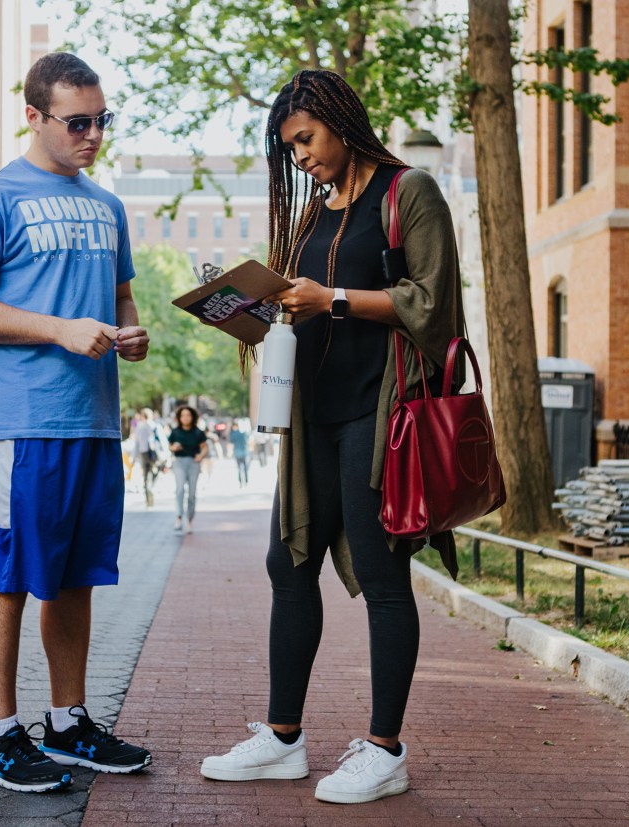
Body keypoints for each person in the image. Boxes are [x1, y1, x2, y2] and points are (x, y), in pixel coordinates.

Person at [200, 70, 462, 804]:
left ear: (343, 122)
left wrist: (334, 297)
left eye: (307, 140)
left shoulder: (409, 193)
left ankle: (385, 749)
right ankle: (283, 739)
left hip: (379, 414)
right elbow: (296, 304)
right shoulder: (312, 212)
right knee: (288, 564)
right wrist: (249, 308)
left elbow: (433, 305)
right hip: (310, 411)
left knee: (382, 577)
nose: (302, 157)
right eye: (290, 149)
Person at [0, 51, 152, 795]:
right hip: (14, 427)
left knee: (73, 579)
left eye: (103, 120)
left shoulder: (108, 206)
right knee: (5, 577)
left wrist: (132, 330)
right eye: (78, 122)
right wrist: (58, 329)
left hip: (91, 425)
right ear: (34, 115)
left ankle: (68, 722)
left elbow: (121, 299)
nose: (94, 134)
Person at [167, 405, 206, 533]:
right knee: (179, 490)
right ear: (179, 417)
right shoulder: (175, 432)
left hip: (194, 463)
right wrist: (175, 447)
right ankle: (179, 517)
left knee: (192, 493)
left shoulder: (198, 432)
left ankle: (189, 520)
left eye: (188, 415)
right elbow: (170, 447)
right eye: (183, 415)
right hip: (179, 462)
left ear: (192, 417)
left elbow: (204, 447)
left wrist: (200, 456)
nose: (185, 418)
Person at [132, 408, 163, 507]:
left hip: (143, 453)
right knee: (155, 472)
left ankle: (148, 498)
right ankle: (151, 487)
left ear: (142, 416)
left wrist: (133, 457)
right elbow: (162, 442)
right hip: (155, 454)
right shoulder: (156, 426)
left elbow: (136, 443)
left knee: (145, 475)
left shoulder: (139, 427)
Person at [229, 420, 251, 488]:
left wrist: (229, 453)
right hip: (244, 452)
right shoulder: (244, 433)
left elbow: (231, 443)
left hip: (237, 452)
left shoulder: (233, 434)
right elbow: (248, 441)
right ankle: (246, 482)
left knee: (239, 468)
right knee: (245, 468)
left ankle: (241, 482)